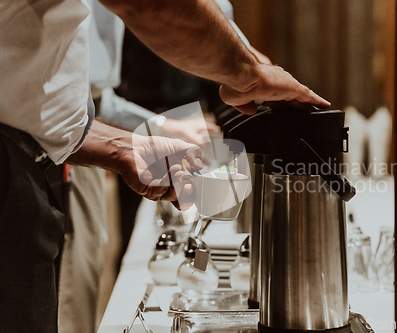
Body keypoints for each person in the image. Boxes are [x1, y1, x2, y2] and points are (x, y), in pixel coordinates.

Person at [0, 0, 330, 332]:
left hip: (38, 152)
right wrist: (250, 74)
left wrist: (122, 148)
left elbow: (32, 96)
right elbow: (153, 5)